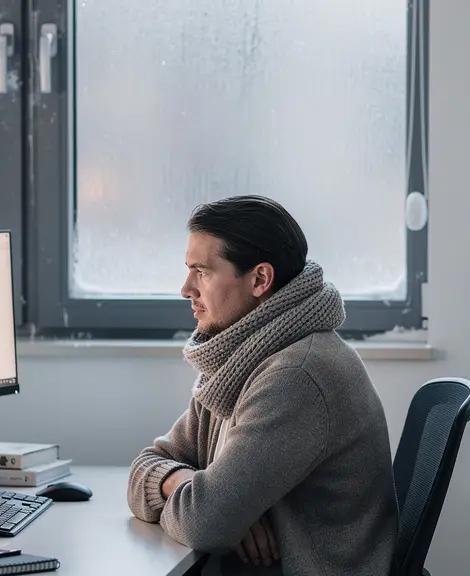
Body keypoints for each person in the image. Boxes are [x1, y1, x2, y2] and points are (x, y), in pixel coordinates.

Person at [127, 195, 399, 575]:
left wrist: (214, 508)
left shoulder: (297, 375)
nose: (186, 288)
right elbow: (145, 468)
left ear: (259, 279)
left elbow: (204, 524)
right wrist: (187, 483)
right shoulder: (235, 360)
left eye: (201, 272)